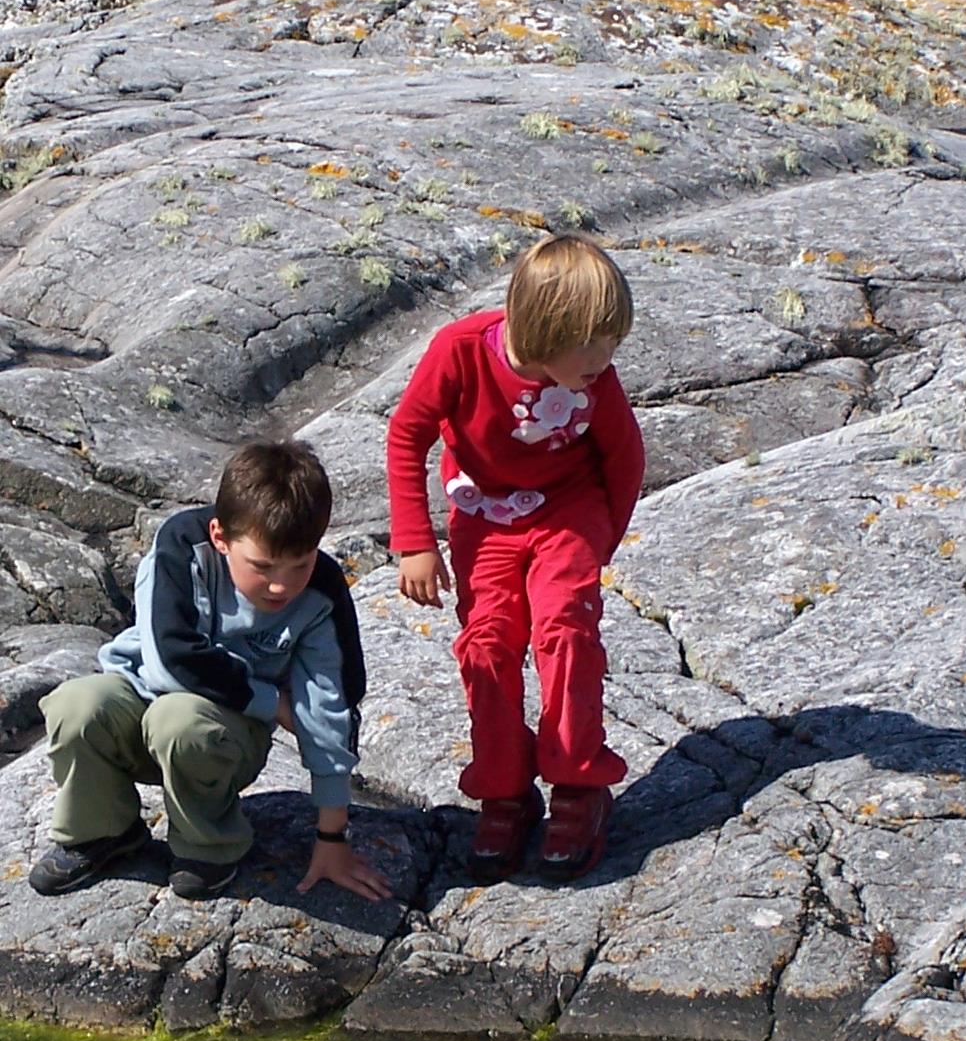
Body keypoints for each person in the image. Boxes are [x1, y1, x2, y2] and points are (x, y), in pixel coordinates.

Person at [27, 439, 392, 903]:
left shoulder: (320, 593)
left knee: (180, 721)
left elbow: (331, 705)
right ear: (221, 537)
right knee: (76, 703)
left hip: (219, 738)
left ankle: (209, 847)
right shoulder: (181, 547)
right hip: (143, 699)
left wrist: (332, 838)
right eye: (261, 567)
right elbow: (170, 660)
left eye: (299, 565)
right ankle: (101, 831)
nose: (281, 585)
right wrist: (271, 701)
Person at [386, 233, 643, 882]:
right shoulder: (461, 351)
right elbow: (406, 434)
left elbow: (623, 458)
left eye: (613, 341)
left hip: (568, 511)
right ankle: (503, 791)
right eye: (596, 342)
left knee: (564, 629)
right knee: (487, 643)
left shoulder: (595, 381)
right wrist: (415, 541)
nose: (608, 358)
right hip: (486, 513)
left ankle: (578, 785)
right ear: (548, 331)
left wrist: (596, 543)